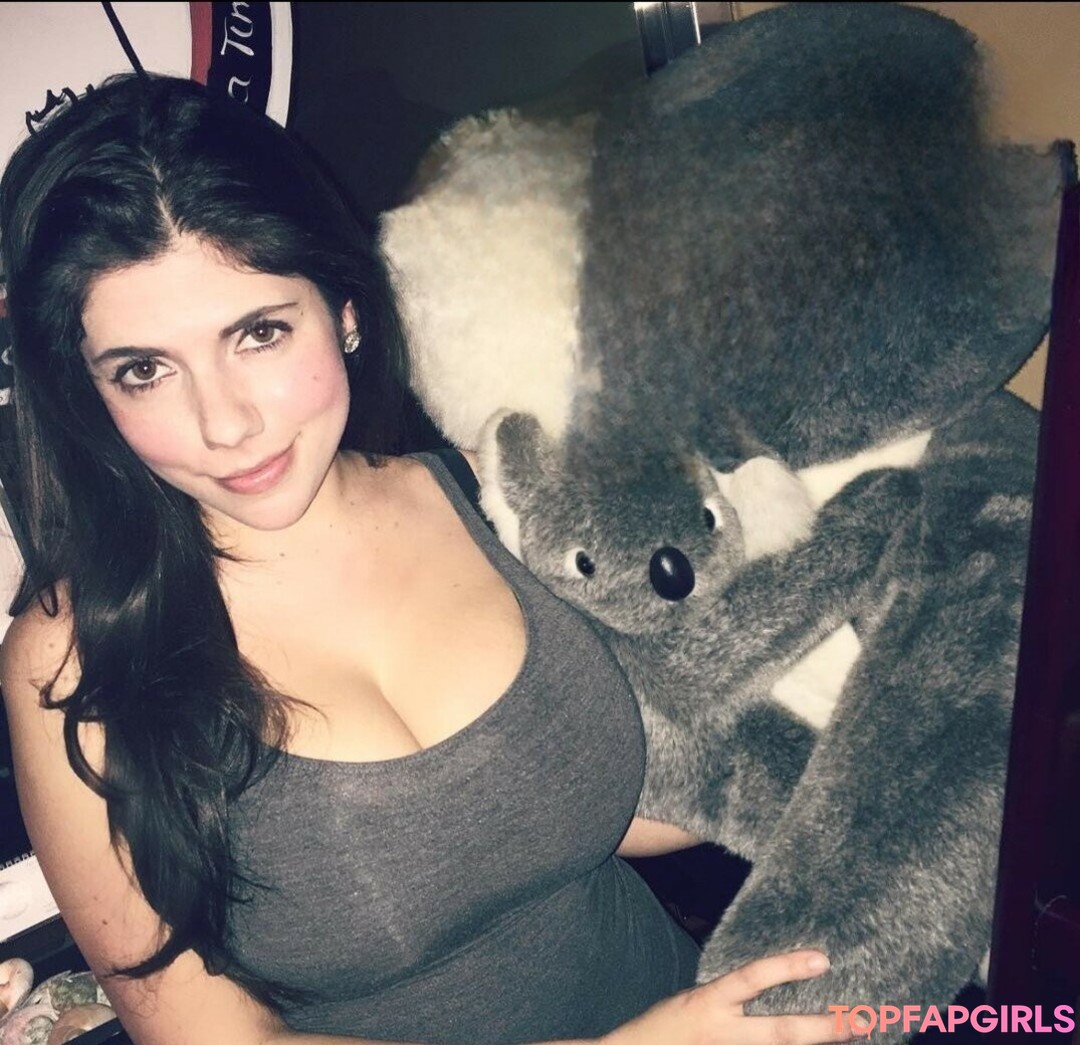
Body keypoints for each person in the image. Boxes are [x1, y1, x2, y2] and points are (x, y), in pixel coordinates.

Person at [0, 74, 857, 1045]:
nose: (224, 423)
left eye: (260, 333)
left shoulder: (493, 492)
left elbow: (585, 811)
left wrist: (844, 720)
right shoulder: (71, 659)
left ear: (346, 310)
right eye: (145, 369)